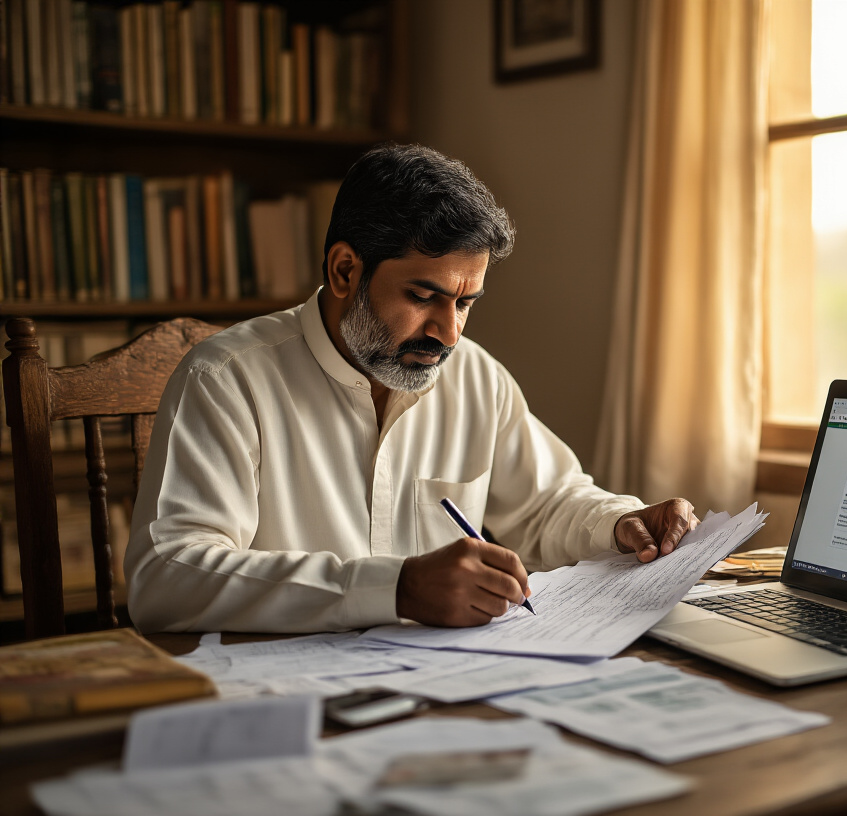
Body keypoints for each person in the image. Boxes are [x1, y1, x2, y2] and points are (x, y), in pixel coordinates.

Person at [125, 144, 697, 633]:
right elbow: (167, 576)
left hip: (443, 694)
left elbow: (548, 504)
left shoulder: (474, 377)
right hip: (286, 704)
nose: (448, 333)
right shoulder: (227, 378)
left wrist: (621, 523)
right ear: (345, 271)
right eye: (424, 297)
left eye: (465, 303)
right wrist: (392, 588)